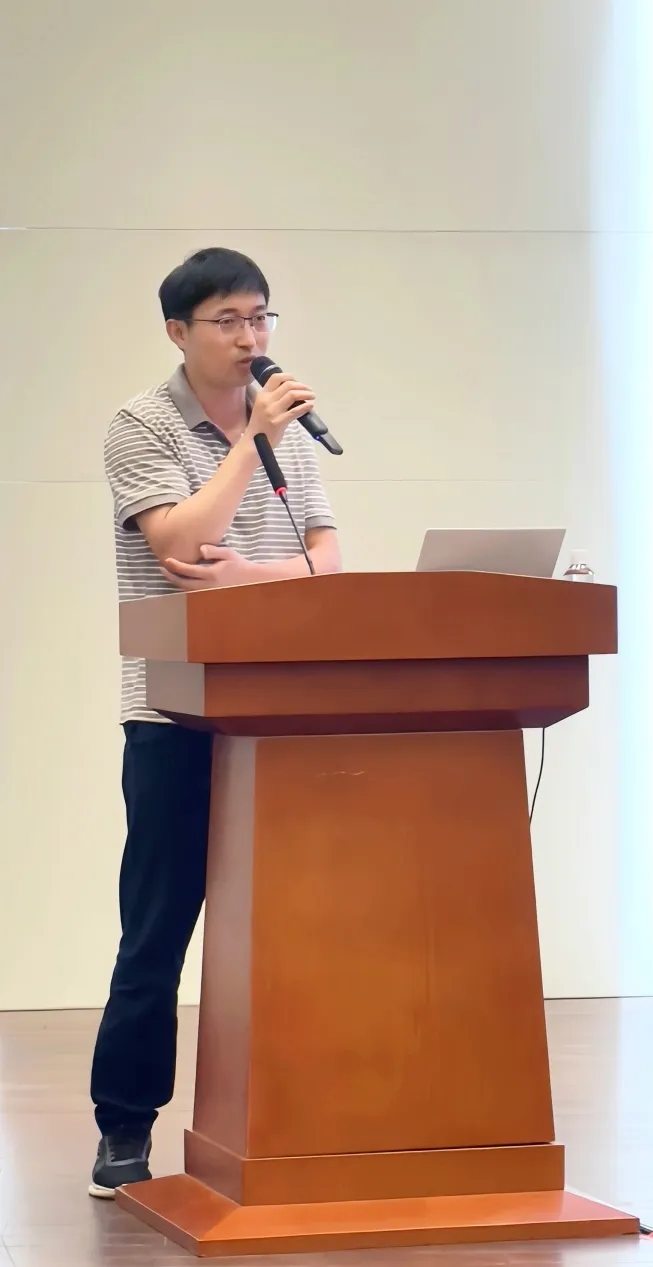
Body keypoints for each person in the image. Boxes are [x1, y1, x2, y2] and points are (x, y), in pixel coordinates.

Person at [89, 247, 341, 1198]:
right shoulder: (141, 424)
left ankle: (296, 1120)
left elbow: (327, 560)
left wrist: (248, 576)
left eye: (260, 317)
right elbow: (181, 542)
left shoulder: (288, 425)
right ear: (178, 331)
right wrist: (248, 444)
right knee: (157, 931)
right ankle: (123, 1129)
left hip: (282, 714)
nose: (250, 337)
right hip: (176, 712)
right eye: (228, 320)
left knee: (297, 927)